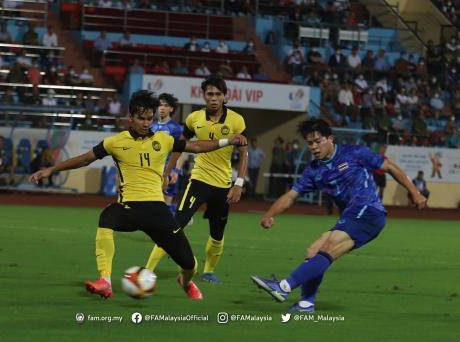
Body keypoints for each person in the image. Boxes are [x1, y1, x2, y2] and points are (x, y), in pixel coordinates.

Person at [29, 90, 247, 300]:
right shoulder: (115, 142)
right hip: (129, 208)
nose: (146, 123)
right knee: (107, 217)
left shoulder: (163, 139)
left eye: (149, 119)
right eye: (141, 118)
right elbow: (85, 159)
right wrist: (51, 169)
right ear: (130, 117)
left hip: (157, 211)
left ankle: (186, 281)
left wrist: (228, 141)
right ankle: (105, 281)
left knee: (189, 263)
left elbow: (196, 146)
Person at [250, 119, 426, 313]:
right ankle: (306, 304)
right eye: (310, 143)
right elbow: (291, 195)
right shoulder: (313, 171)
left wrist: (415, 191)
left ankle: (283, 287)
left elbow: (390, 167)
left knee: (329, 246)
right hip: (352, 216)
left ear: (330, 139)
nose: (314, 147)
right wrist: (270, 214)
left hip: (368, 211)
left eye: (318, 141)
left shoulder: (355, 153)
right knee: (313, 252)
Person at [145, 76, 248, 284]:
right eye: (210, 94)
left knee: (217, 233)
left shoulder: (236, 120)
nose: (214, 98)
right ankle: (147, 270)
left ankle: (209, 271)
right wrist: (166, 173)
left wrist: (239, 183)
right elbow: (179, 146)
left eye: (218, 94)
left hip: (223, 185)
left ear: (225, 96)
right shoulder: (194, 119)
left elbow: (245, 153)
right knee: (174, 225)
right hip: (198, 181)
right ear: (203, 96)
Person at [150, 93, 183, 215]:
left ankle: (178, 217)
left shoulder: (176, 128)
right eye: (160, 105)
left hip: (169, 170)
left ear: (171, 109)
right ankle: (180, 213)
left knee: (166, 205)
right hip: (153, 170)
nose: (162, 108)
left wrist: (177, 171)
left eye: (166, 105)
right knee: (153, 204)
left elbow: (181, 151)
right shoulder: (150, 126)